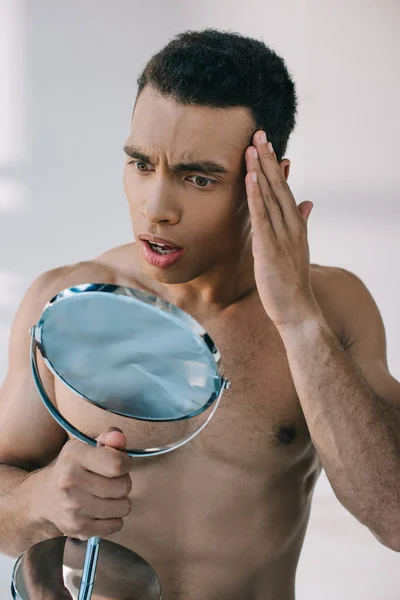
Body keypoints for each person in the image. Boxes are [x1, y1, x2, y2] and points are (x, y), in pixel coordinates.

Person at [0, 28, 399, 600]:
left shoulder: (333, 310)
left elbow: (394, 517)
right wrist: (38, 501)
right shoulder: (65, 299)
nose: (156, 209)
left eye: (198, 177)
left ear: (269, 182)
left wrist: (297, 320)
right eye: (141, 164)